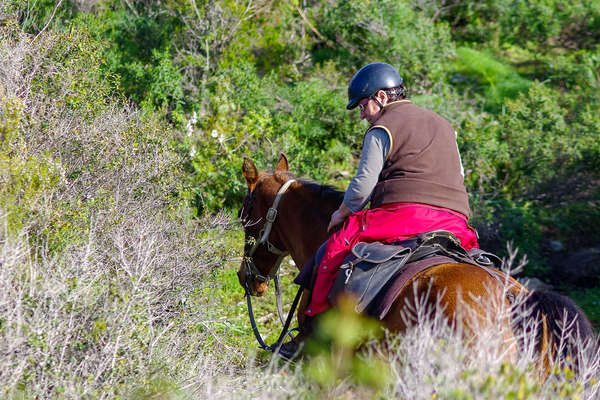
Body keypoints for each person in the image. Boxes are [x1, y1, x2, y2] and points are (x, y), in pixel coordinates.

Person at [280, 62, 479, 358]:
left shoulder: (381, 128)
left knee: (333, 249)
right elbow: (460, 174)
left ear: (382, 98)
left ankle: (310, 334)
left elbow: (362, 187)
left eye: (362, 105)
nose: (361, 114)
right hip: (455, 222)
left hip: (405, 216)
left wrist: (341, 213)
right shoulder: (444, 124)